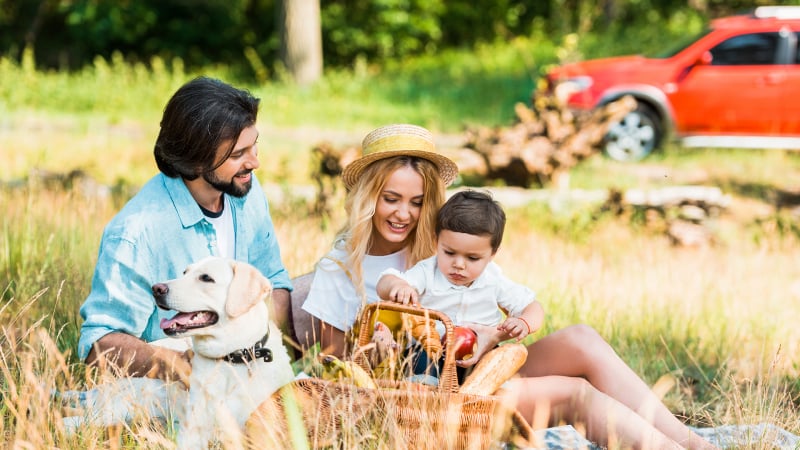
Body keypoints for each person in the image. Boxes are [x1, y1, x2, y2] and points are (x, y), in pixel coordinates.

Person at [300, 123, 717, 449]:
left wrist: (491, 333)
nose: (404, 214)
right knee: (575, 394)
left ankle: (690, 440)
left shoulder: (439, 246)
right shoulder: (341, 270)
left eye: (417, 201)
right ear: (367, 196)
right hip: (429, 401)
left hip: (479, 368)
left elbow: (489, 300)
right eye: (391, 198)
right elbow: (340, 374)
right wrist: (382, 351)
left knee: (582, 340)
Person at [78, 76, 293, 387]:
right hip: (173, 384)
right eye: (237, 155)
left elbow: (274, 282)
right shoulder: (137, 232)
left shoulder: (246, 190)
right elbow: (101, 344)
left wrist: (247, 352)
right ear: (195, 161)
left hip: (251, 355)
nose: (255, 162)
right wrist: (188, 367)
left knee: (324, 288)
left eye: (254, 145)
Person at [376, 189, 543, 367]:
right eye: (449, 252)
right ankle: (426, 386)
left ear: (493, 254)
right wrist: (398, 285)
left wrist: (523, 322)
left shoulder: (493, 279)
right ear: (436, 242)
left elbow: (533, 307)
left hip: (480, 351)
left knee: (496, 363)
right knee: (421, 360)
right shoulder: (427, 272)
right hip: (430, 350)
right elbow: (385, 282)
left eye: (472, 258)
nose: (459, 264)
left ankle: (482, 390)